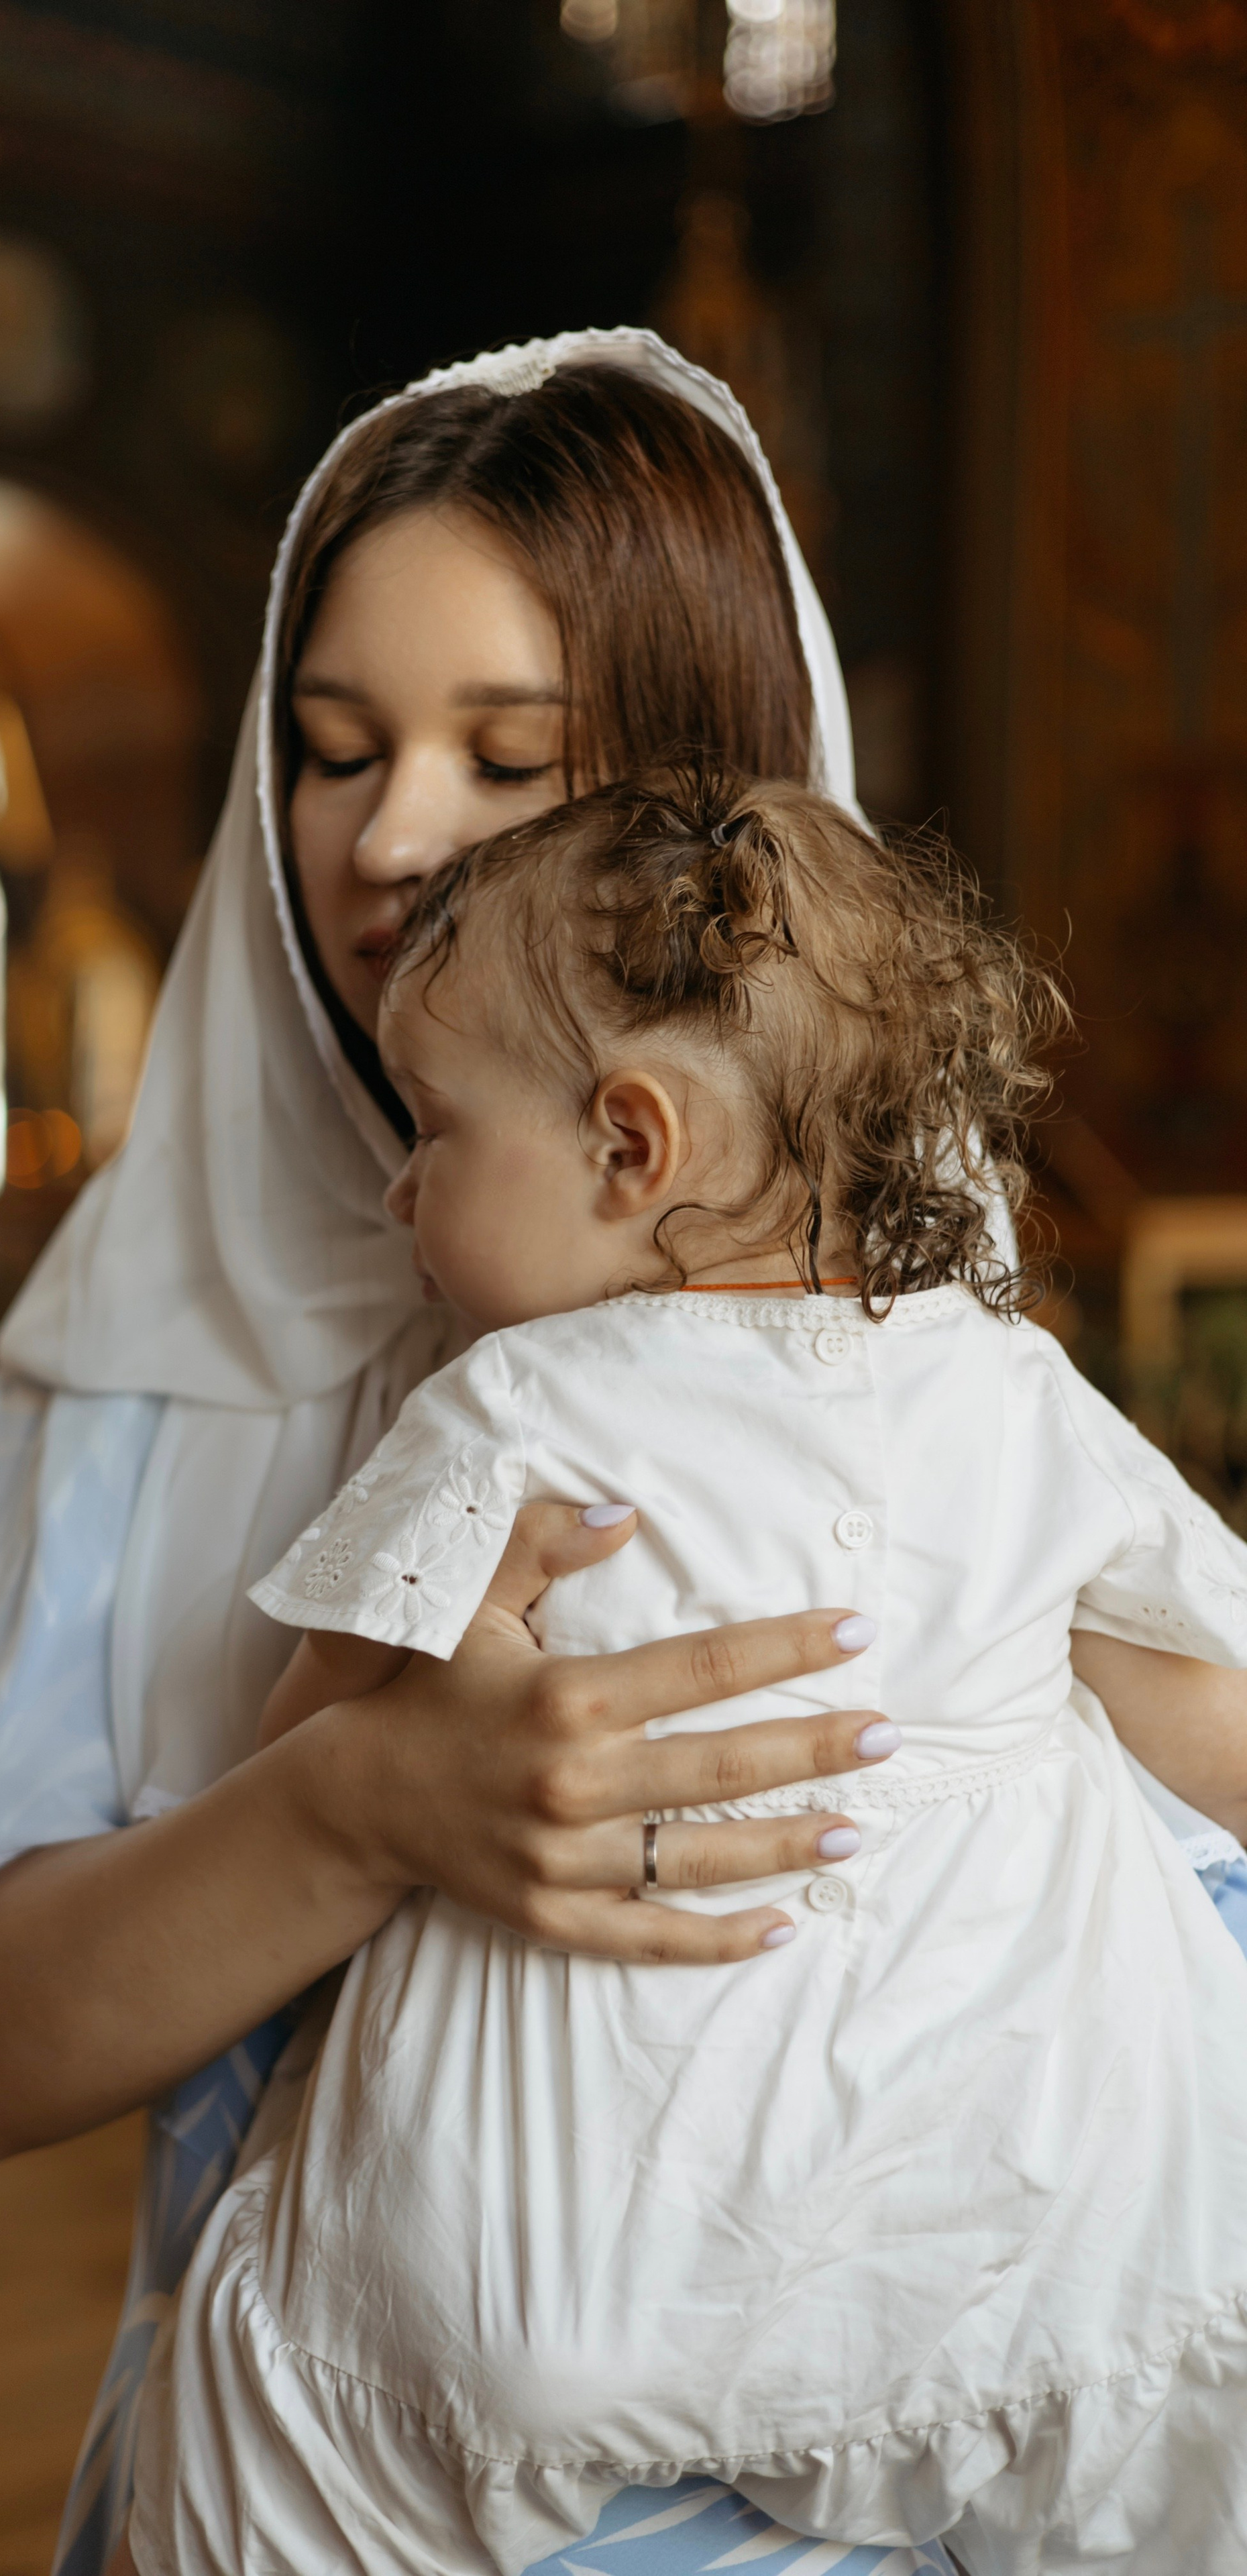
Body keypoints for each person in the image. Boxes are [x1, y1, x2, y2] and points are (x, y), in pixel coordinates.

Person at [0, 332, 1244, 2576]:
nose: (389, 838)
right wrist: (362, 1803)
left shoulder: (911, 1362)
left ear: (710, 821)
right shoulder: (158, 1335)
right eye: (333, 750)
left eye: (508, 753)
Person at [126, 766, 1247, 2575]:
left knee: (266, 2387)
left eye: (431, 1127)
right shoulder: (1006, 1385)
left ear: (625, 1148)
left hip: (573, 2266)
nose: (403, 1187)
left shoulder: (511, 1407)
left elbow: (309, 1745)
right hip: (1031, 2247)